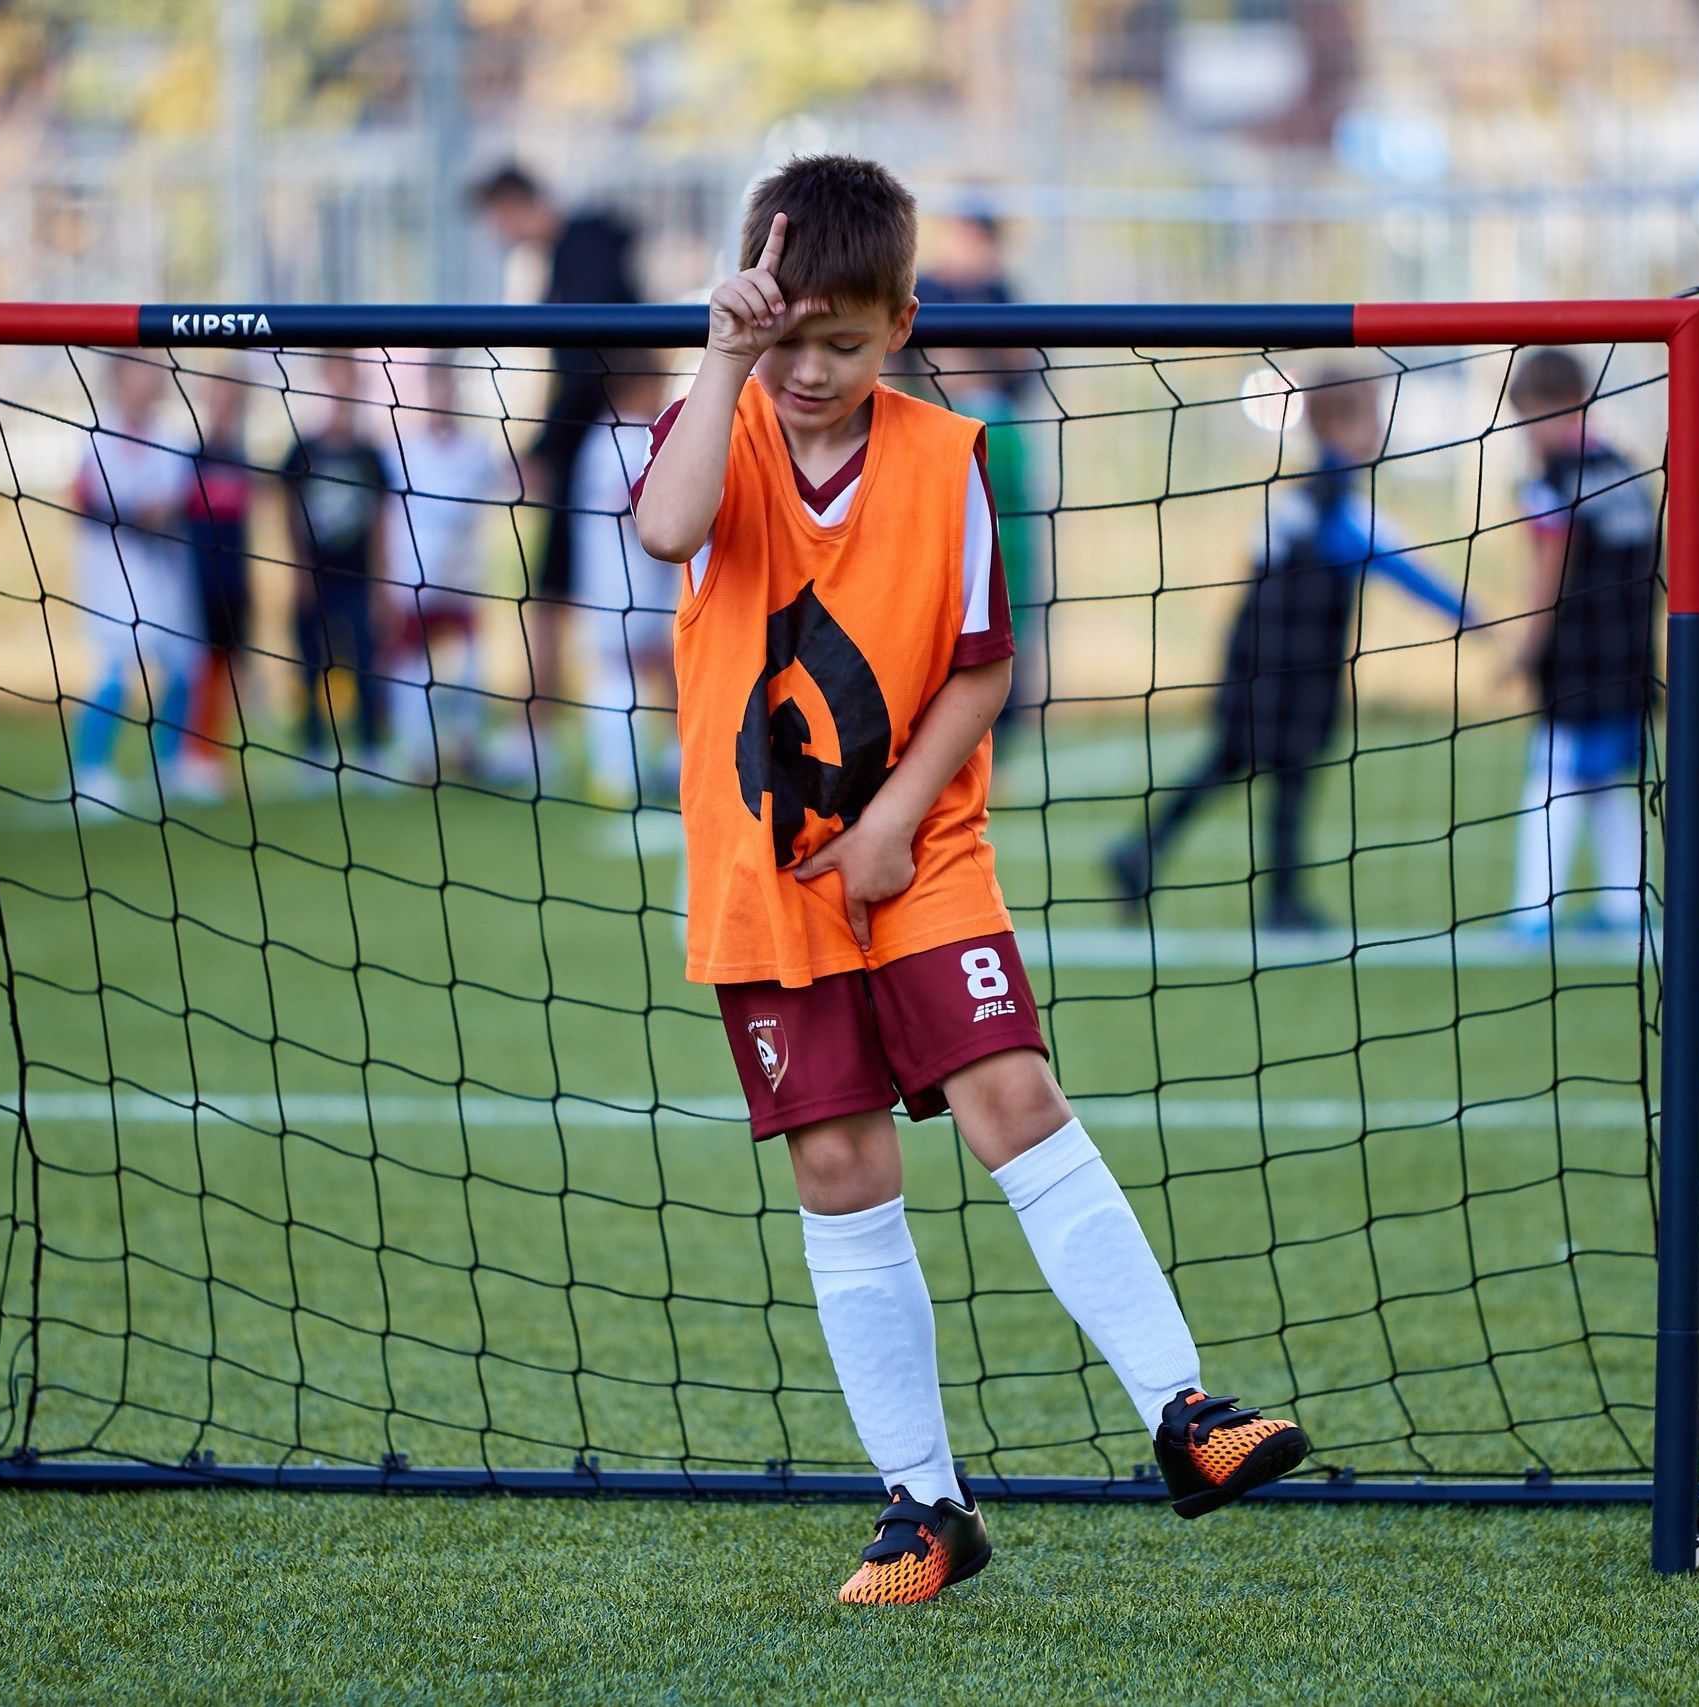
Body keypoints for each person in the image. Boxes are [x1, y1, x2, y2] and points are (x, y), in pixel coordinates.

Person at [632, 155, 1302, 1608]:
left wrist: (891, 826)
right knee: (838, 1164)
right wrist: (723, 349)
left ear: (903, 327)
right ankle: (925, 1505)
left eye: (844, 342)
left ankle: (1186, 1410)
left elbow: (984, 670)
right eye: (788, 333)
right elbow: (663, 531)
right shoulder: (721, 422)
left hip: (921, 850)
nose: (811, 369)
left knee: (1014, 1093)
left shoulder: (951, 458)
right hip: (767, 873)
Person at [1108, 371, 1470, 933]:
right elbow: (1397, 562)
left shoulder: (1311, 498)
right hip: (1287, 668)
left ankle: (1142, 854)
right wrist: (1474, 617)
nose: (1379, 431)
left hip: (1266, 660)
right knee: (1285, 777)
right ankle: (1278, 901)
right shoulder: (1331, 505)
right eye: (1369, 418)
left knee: (1236, 765)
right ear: (1334, 425)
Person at [472, 165, 641, 754]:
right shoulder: (568, 257)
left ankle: (545, 734)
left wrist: (545, 451)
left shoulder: (584, 255)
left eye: (498, 217)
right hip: (587, 444)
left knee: (629, 603)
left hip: (607, 450)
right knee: (554, 590)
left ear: (516, 203)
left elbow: (589, 367)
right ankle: (534, 731)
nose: (498, 233)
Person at [1504, 347, 1661, 934]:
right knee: (1602, 779)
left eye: (1532, 419)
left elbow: (1551, 571)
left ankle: (1531, 911)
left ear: (1567, 406)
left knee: (1554, 775)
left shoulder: (1551, 482)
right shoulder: (1625, 467)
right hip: (1631, 652)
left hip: (1577, 658)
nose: (1527, 435)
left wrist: (1525, 649)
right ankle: (1627, 905)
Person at [913, 210, 1043, 734]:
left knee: (1004, 585)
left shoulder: (1002, 291)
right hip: (936, 443)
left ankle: (999, 723)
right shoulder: (924, 290)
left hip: (997, 444)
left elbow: (1025, 367)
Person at [68, 359, 198, 811]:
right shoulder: (96, 438)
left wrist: (148, 512)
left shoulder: (173, 439)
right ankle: (90, 772)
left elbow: (175, 501)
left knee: (183, 666)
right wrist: (140, 513)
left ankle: (171, 766)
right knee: (114, 668)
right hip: (110, 573)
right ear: (118, 378)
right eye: (137, 372)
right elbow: (89, 498)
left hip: (164, 571)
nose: (147, 381)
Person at [379, 358, 514, 780]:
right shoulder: (401, 451)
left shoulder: (477, 450)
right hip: (414, 579)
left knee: (469, 667)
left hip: (463, 581)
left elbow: (512, 483)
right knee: (412, 668)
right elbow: (385, 514)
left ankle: (466, 746)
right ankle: (416, 751)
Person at [569, 360, 679, 806]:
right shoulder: (635, 438)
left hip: (603, 583)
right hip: (634, 583)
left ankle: (629, 771)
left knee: (635, 670)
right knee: (631, 672)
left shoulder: (597, 438)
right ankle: (625, 772)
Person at [281, 355, 394, 770]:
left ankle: (369, 747)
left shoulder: (371, 455)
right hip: (316, 578)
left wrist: (383, 583)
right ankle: (312, 747)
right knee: (311, 662)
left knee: (365, 659)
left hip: (359, 578)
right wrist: (299, 571)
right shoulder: (301, 452)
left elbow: (382, 520)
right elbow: (289, 512)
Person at [177, 364, 256, 794]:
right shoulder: (192, 459)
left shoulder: (242, 461)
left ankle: (213, 757)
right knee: (197, 669)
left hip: (235, 584)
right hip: (198, 585)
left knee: (230, 670)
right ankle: (190, 757)